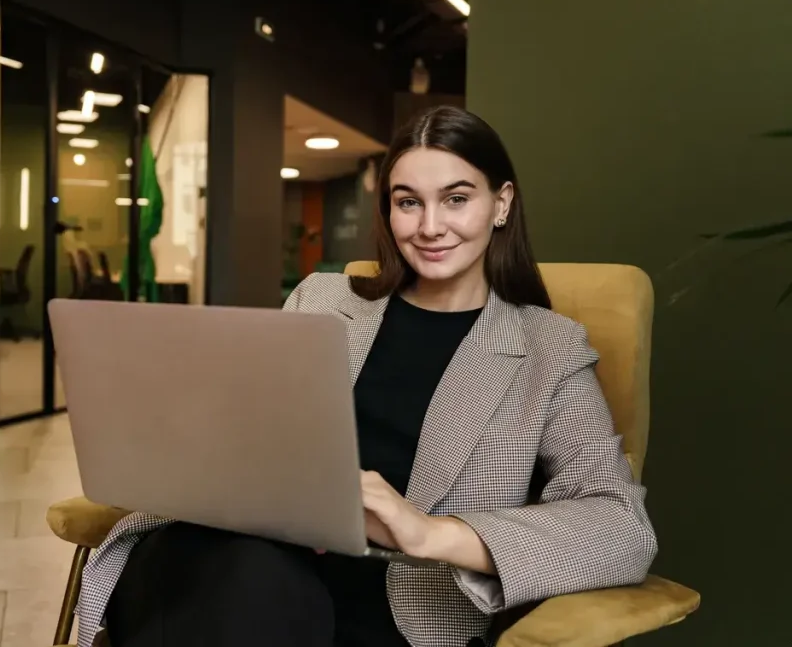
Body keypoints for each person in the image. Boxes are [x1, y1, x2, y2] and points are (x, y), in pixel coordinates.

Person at [73, 105, 657, 647]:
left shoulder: (548, 350)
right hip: (234, 558)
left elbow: (621, 529)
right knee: (227, 571)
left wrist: (429, 531)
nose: (430, 226)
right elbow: (249, 438)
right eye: (408, 202)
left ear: (501, 204)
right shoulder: (321, 300)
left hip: (392, 605)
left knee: (247, 591)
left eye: (456, 199)